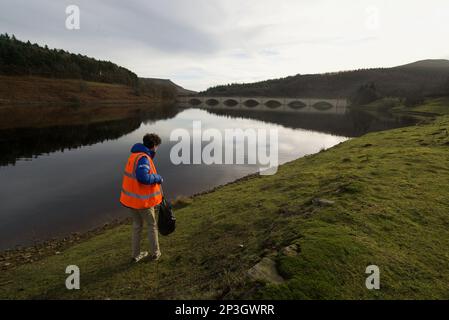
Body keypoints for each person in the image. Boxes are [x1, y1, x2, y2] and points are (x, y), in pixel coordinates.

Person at [120, 133, 164, 262]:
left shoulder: (134, 155)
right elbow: (143, 177)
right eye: (157, 146)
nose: (157, 149)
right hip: (142, 201)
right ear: (154, 146)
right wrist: (157, 177)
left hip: (131, 200)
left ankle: (135, 255)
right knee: (152, 225)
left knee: (137, 226)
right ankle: (155, 253)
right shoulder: (144, 158)